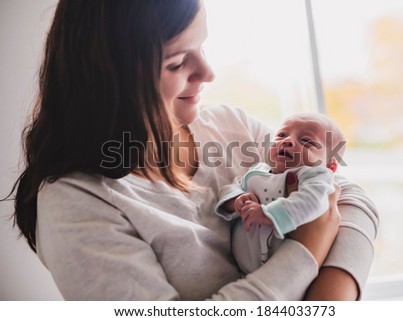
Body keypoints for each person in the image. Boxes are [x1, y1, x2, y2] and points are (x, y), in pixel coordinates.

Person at [6, 0, 378, 300]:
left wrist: (331, 299)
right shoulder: (79, 202)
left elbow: (350, 194)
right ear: (108, 78)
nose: (208, 72)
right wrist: (308, 249)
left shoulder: (230, 125)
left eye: (201, 47)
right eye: (178, 62)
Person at [216, 113, 346, 274]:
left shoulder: (315, 177)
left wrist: (269, 214)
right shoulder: (257, 171)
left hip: (290, 271)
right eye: (281, 135)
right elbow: (230, 187)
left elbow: (314, 201)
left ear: (330, 166)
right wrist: (236, 200)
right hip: (243, 273)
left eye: (306, 141)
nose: (288, 141)